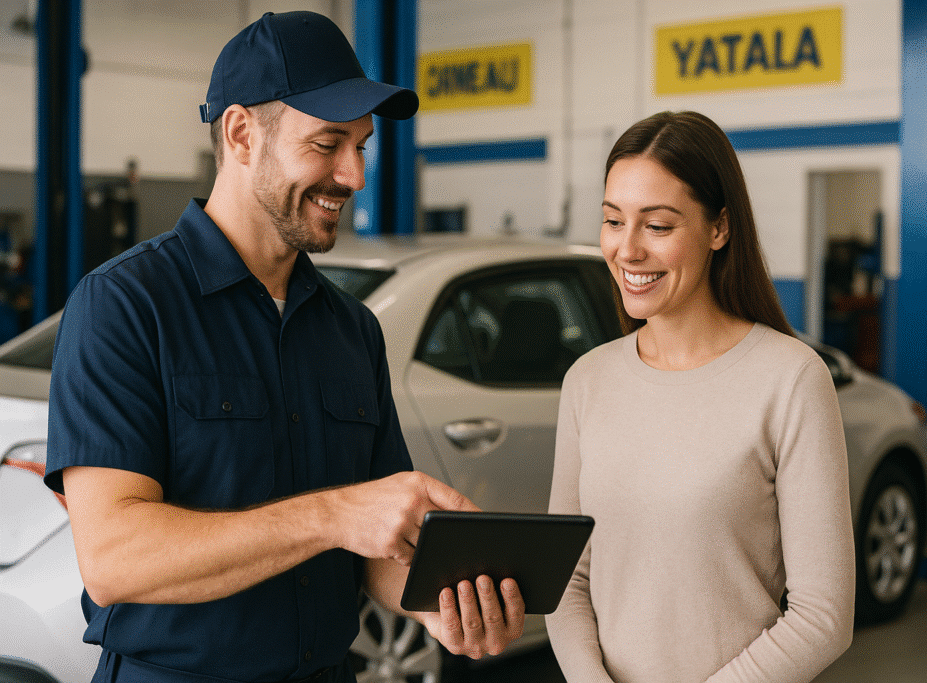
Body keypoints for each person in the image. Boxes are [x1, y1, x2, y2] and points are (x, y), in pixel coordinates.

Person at [44, 11, 523, 683]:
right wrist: (332, 514)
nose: (353, 175)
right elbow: (115, 557)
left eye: (362, 146)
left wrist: (436, 604)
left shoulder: (353, 329)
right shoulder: (125, 306)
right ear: (242, 133)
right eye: (328, 143)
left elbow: (373, 549)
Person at [545, 111, 855, 682]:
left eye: (657, 226)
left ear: (719, 228)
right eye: (614, 221)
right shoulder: (587, 381)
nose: (628, 250)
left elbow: (823, 615)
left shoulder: (790, 379)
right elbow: (568, 579)